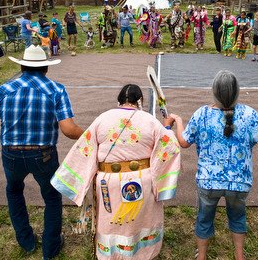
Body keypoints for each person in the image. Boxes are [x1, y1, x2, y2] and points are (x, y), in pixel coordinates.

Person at [170, 70, 258, 260]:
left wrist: (178, 121)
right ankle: (239, 256)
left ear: (213, 91)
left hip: (207, 181)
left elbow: (184, 142)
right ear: (237, 91)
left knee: (204, 218)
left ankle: (201, 256)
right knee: (237, 217)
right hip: (239, 183)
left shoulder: (202, 114)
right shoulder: (249, 114)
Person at [0, 45, 84, 260]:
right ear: (46, 68)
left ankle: (26, 241)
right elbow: (69, 130)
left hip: (11, 154)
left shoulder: (4, 90)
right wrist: (92, 135)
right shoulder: (56, 90)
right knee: (51, 197)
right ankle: (50, 248)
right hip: (43, 154)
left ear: (22, 66)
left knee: (14, 192)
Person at [52, 84, 181, 260]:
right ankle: (141, 254)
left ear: (118, 101)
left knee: (112, 223)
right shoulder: (150, 121)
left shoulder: (102, 119)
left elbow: (85, 148)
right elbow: (171, 146)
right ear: (140, 101)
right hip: (142, 182)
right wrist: (166, 128)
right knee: (139, 221)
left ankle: (112, 255)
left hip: (108, 184)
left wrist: (74, 180)